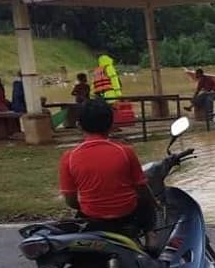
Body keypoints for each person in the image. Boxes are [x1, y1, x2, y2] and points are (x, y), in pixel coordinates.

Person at [59, 99, 157, 236]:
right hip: (127, 214)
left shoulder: (69, 157)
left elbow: (70, 200)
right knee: (147, 201)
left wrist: (89, 206)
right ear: (111, 124)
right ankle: (150, 234)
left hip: (92, 216)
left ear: (79, 126)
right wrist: (154, 203)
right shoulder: (125, 151)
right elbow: (141, 188)